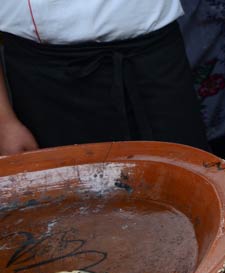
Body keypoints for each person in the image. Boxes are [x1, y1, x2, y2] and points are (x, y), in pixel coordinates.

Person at [0, 0, 209, 156]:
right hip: (48, 82)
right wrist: (4, 122)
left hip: (152, 64)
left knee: (183, 188)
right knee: (69, 204)